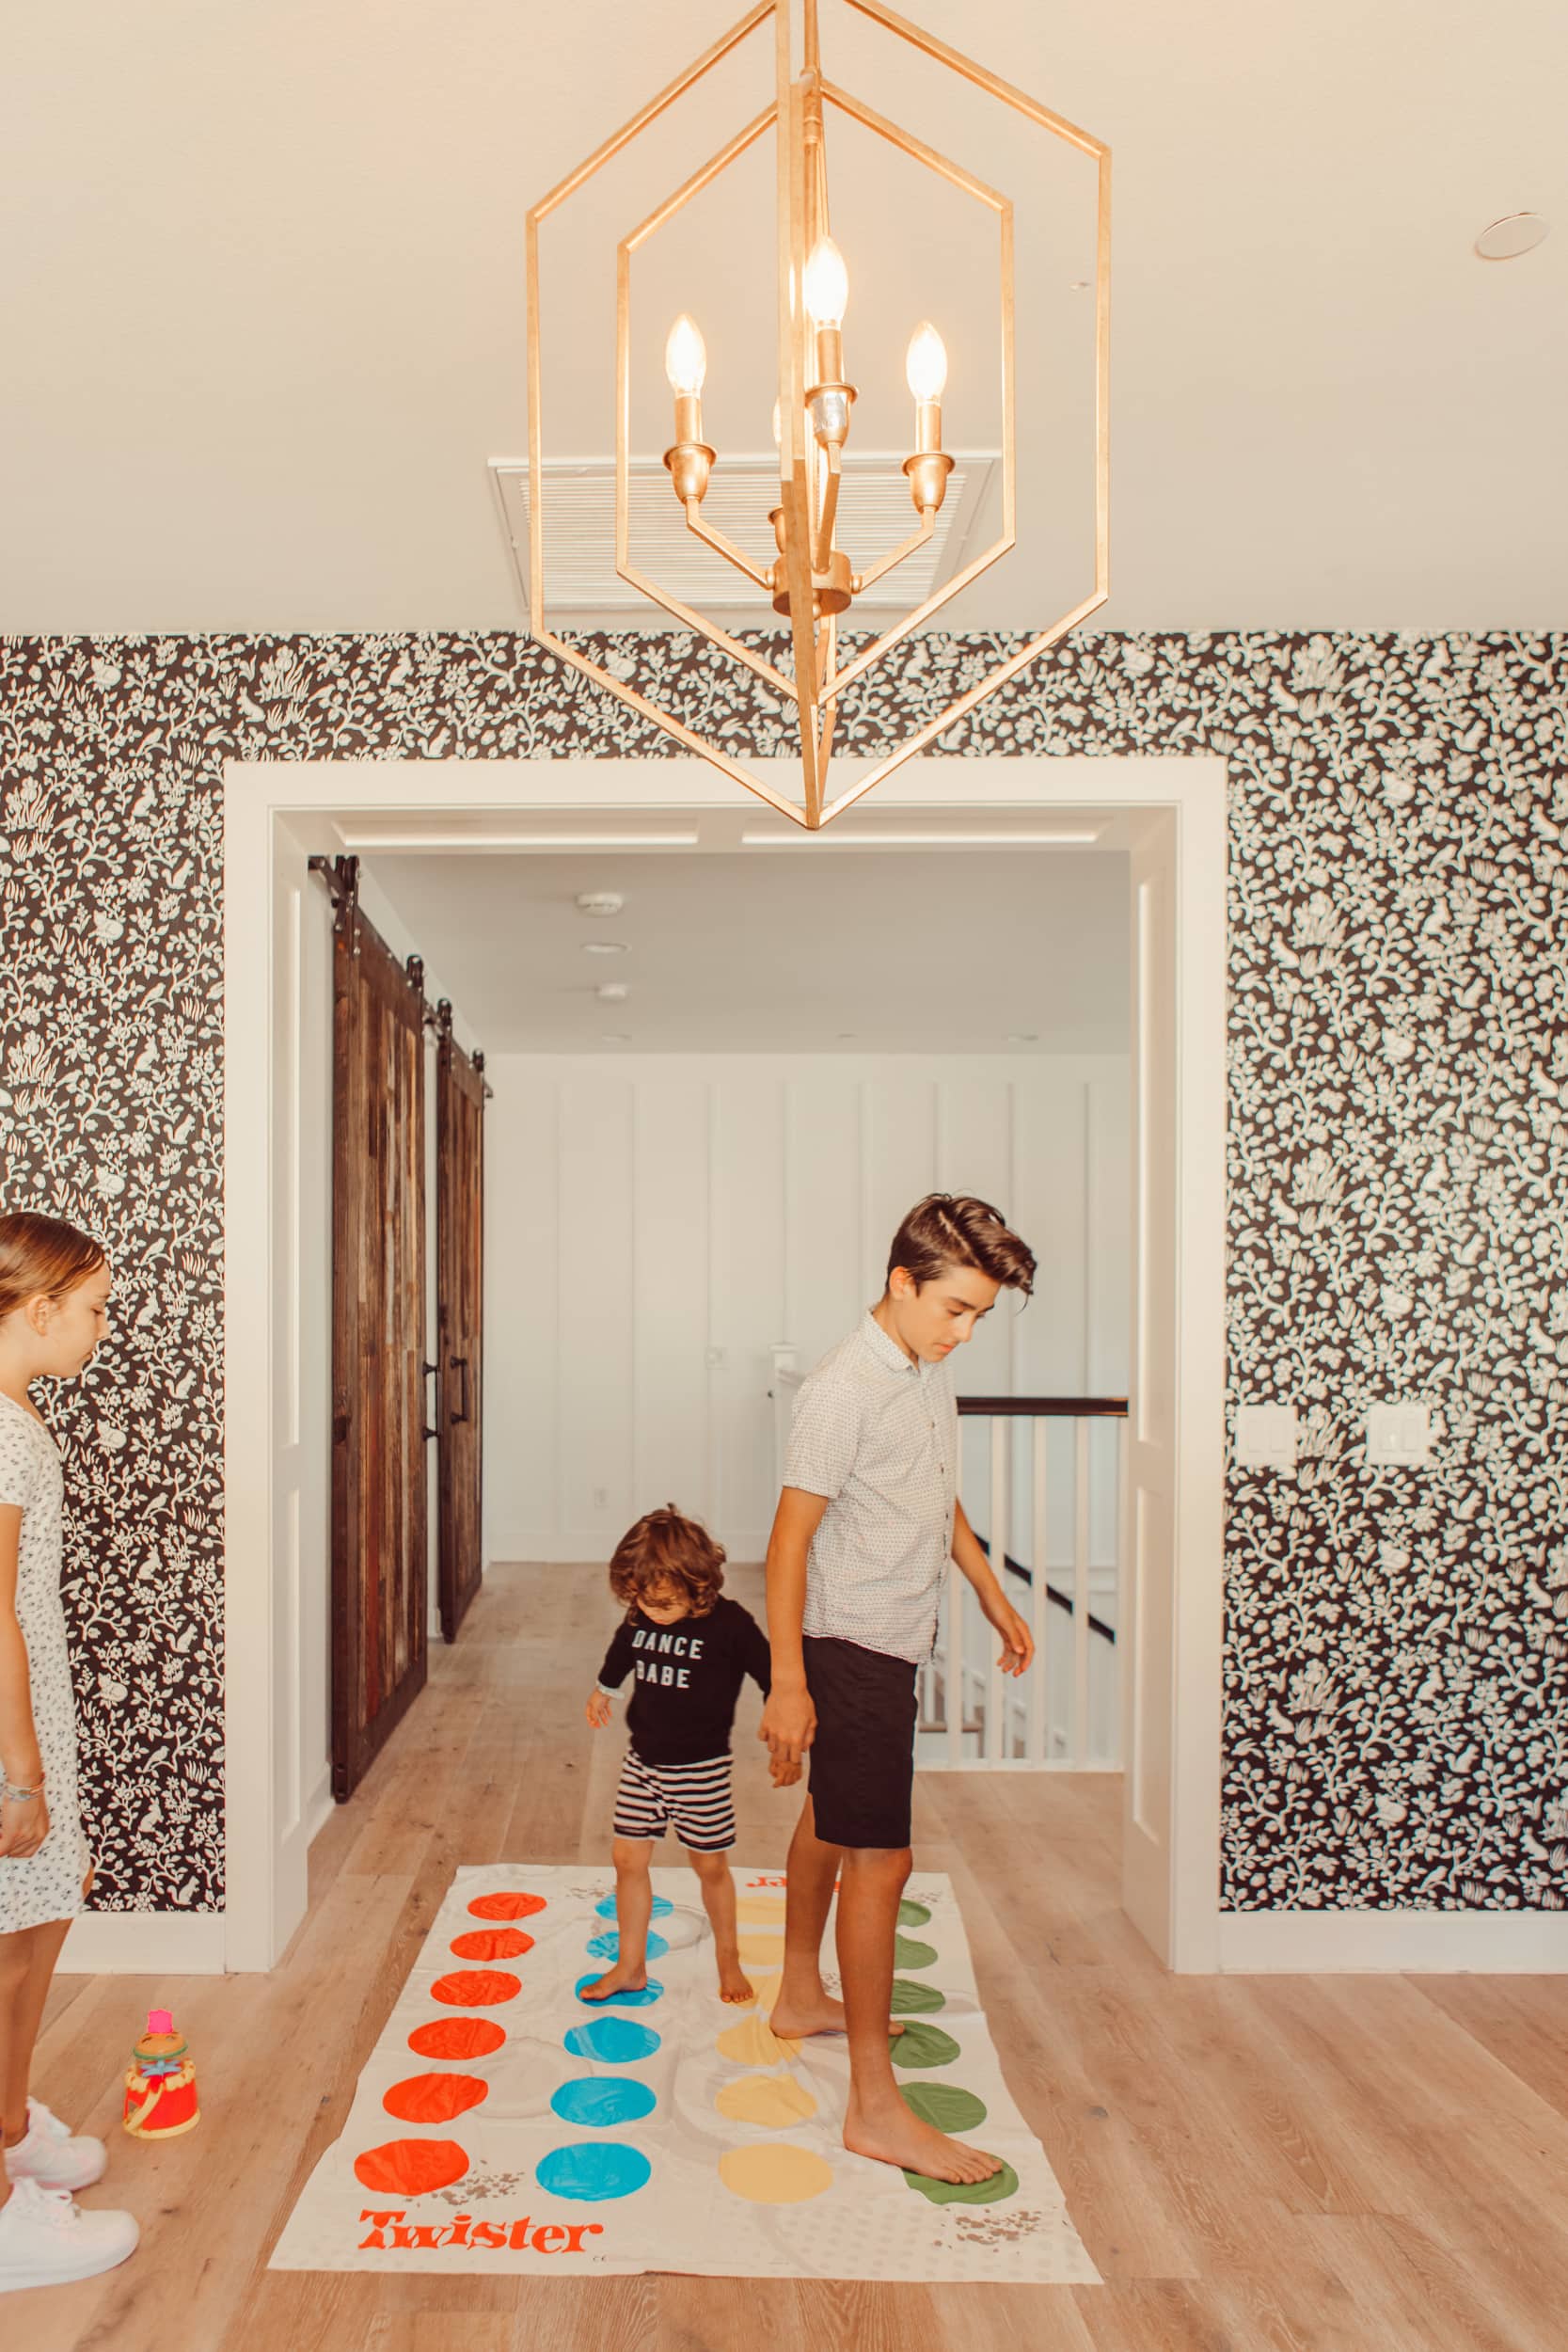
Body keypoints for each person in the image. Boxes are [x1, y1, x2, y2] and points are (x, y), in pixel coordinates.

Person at [760, 1192, 1037, 2186]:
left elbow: (930, 1485)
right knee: (884, 1858)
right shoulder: (843, 1390)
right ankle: (875, 2108)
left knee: (837, 1820)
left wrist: (989, 1589)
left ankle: (798, 1991)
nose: (963, 1331)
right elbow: (786, 1544)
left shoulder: (919, 1369)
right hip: (852, 1644)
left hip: (891, 1633)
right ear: (900, 1282)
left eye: (978, 1315)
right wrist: (787, 1685)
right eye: (954, 1308)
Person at [0, 1211, 139, 2292]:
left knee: (41, 1919)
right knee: (6, 1946)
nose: (102, 1329)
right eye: (92, 1310)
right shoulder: (0, 1433)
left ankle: (7, 2126)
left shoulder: (21, 1415)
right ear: (38, 1310)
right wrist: (23, 1772)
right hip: (12, 1732)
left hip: (36, 1710)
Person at [584, 1504, 793, 2007]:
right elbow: (623, 1649)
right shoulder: (640, 1614)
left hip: (700, 1771)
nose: (650, 1611)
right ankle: (630, 1965)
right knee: (627, 1858)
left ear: (699, 1585)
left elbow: (773, 1676)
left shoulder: (731, 1626)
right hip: (643, 1762)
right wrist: (605, 1689)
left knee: (710, 1867)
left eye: (663, 1602)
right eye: (640, 1601)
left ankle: (728, 1958)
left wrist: (782, 1734)